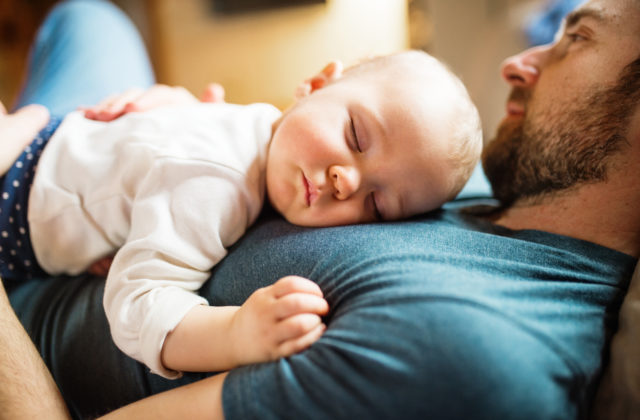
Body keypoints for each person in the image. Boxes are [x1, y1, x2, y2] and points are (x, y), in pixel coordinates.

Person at [2, 0, 639, 418]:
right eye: (358, 137)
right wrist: (189, 128)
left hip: (24, 260)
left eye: (577, 38)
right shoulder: (479, 174)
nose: (517, 62)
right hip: (101, 165)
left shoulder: (473, 351)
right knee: (90, 16)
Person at [0, 5, 482, 380]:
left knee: (88, 16)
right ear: (316, 84)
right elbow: (135, 306)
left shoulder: (245, 162)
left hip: (34, 179)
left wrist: (237, 334)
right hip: (22, 173)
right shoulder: (219, 183)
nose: (347, 181)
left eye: (376, 204)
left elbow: (140, 294)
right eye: (356, 135)